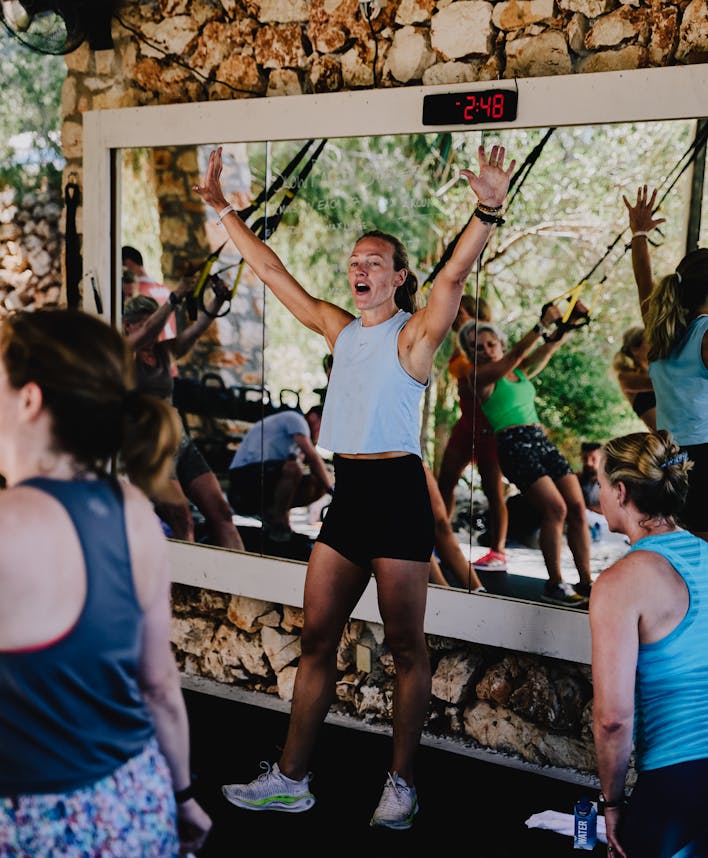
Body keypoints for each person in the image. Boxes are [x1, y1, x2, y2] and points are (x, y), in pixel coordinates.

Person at [194, 142, 514, 829]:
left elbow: (454, 278)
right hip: (349, 498)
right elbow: (272, 271)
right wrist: (223, 211)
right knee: (316, 640)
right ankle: (290, 778)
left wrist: (486, 209)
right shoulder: (341, 330)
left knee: (406, 647)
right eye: (354, 260)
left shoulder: (415, 337)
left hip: (398, 495)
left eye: (374, 261)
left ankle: (401, 784)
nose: (358, 268)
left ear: (399, 277)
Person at [0, 309, 212, 856]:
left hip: (32, 822)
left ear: (28, 400)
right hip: (134, 804)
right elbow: (161, 688)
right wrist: (183, 796)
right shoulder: (134, 509)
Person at [590, 430, 708, 858]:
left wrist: (613, 804)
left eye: (600, 484)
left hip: (679, 785)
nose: (598, 494)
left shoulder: (619, 583)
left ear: (620, 492)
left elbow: (613, 720)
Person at [458, 310, 593, 606]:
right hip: (513, 445)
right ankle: (556, 583)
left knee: (577, 507)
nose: (485, 351)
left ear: (500, 344)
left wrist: (569, 322)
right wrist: (541, 324)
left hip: (540, 440)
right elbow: (518, 353)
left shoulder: (517, 373)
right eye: (477, 348)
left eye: (490, 344)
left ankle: (586, 582)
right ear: (470, 354)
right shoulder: (478, 377)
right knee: (555, 509)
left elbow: (548, 347)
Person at [123, 277, 244, 551]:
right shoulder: (124, 353)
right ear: (128, 325)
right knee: (182, 519)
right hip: (148, 444)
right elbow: (150, 330)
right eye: (143, 323)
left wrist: (218, 301)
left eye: (152, 323)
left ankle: (239, 590)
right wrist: (174, 298)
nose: (151, 330)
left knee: (222, 514)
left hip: (178, 439)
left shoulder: (165, 351)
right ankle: (182, 592)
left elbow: (196, 331)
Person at [623, 185, 708, 541]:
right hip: (704, 457)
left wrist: (639, 234)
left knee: (683, 550)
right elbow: (645, 282)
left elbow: (644, 281)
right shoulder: (704, 336)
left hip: (671, 458)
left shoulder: (662, 329)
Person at [436, 294, 509, 572]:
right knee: (446, 480)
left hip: (487, 422)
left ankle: (498, 552)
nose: (456, 317)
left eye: (461, 313)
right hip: (466, 422)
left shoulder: (487, 344)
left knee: (493, 489)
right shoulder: (460, 343)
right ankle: (441, 541)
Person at [227, 405, 334, 542]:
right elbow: (312, 457)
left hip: (264, 476)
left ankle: (277, 518)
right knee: (294, 469)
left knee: (314, 480)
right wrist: (332, 490)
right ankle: (278, 521)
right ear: (313, 417)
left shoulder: (291, 444)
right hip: (244, 476)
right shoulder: (296, 419)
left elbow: (290, 482)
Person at [122, 245, 176, 341]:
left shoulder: (137, 292)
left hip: (150, 347)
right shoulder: (164, 289)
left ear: (128, 264)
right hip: (167, 345)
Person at [611, 325, 657, 430]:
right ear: (635, 349)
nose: (654, 345)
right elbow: (659, 384)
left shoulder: (653, 370)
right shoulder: (624, 377)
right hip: (667, 439)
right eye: (649, 341)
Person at [576, 441, 602, 515]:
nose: (588, 463)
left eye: (593, 459)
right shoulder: (577, 479)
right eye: (585, 459)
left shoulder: (611, 482)